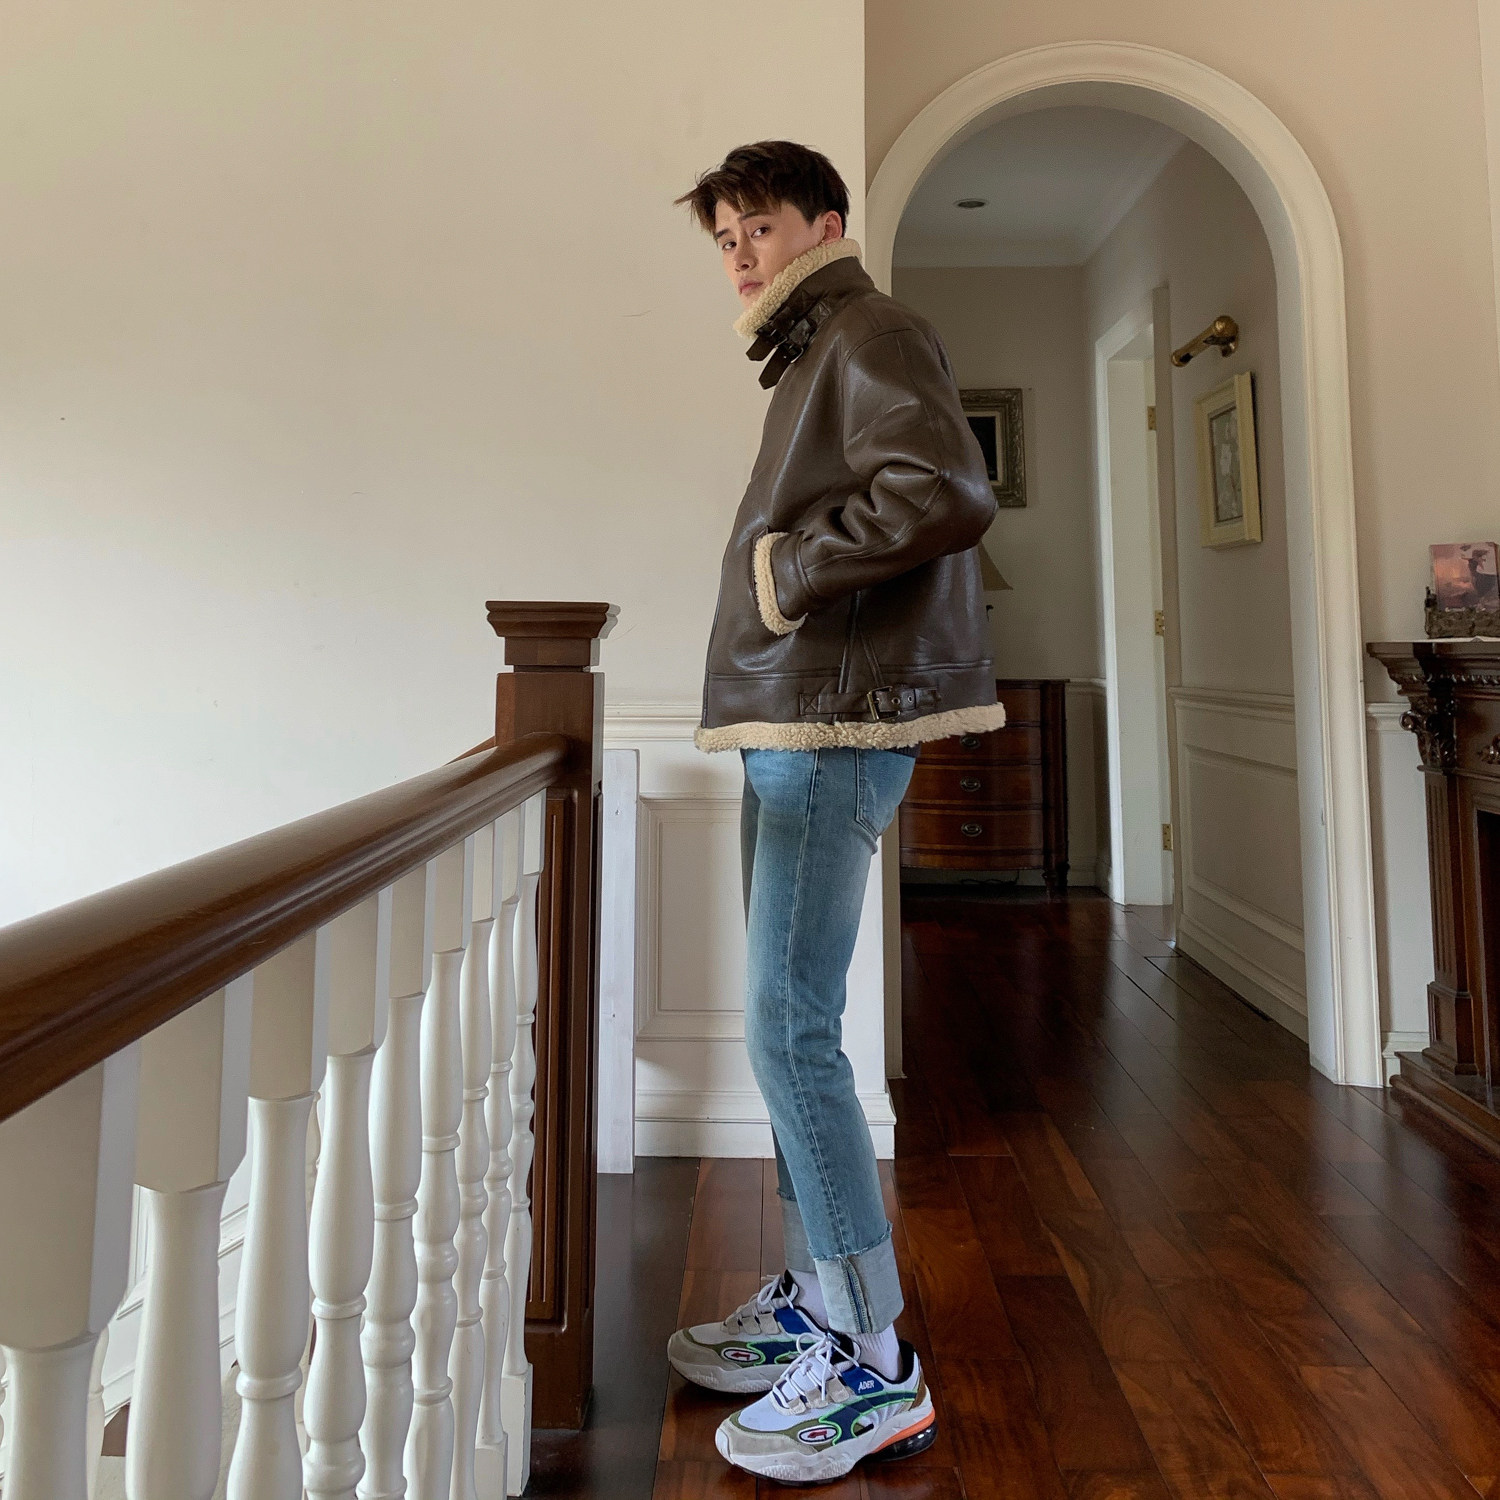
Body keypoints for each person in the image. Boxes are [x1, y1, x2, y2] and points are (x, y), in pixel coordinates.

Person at [664, 139, 1004, 1485]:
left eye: (759, 226)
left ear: (826, 222)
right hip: (799, 725)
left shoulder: (869, 328)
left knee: (790, 1033)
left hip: (828, 727)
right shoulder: (819, 347)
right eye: (725, 239)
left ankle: (870, 1360)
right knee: (786, 1030)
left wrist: (788, 574)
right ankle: (819, 1298)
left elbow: (947, 489)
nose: (741, 254)